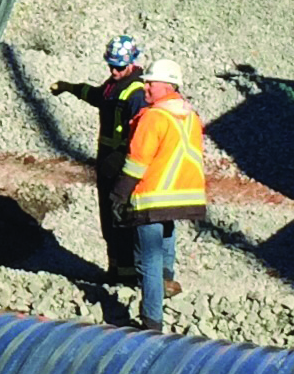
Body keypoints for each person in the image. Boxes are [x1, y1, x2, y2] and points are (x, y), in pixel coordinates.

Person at [111, 58, 207, 331]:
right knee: (166, 241)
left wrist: (118, 195)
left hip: (153, 197)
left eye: (150, 83)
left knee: (148, 261)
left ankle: (152, 321)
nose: (146, 88)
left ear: (166, 85)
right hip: (183, 196)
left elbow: (137, 162)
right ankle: (168, 280)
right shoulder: (190, 115)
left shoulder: (153, 117)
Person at [51, 35, 148, 281]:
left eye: (118, 67)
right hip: (107, 165)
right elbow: (98, 97)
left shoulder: (135, 92)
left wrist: (129, 174)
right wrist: (68, 87)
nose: (113, 71)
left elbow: (141, 137)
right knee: (108, 220)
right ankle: (114, 270)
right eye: (110, 66)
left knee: (121, 220)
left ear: (130, 63)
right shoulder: (114, 84)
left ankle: (127, 277)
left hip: (121, 166)